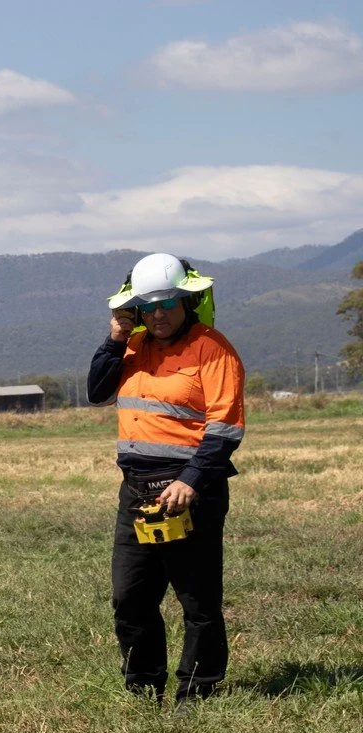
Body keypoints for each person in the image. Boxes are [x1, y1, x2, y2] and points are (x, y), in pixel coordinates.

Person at [86, 253, 245, 707]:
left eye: (167, 304)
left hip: (190, 491)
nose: (158, 315)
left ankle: (198, 693)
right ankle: (142, 689)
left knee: (197, 602)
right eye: (148, 306)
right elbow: (98, 392)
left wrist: (192, 480)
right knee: (131, 599)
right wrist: (115, 337)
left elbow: (225, 426)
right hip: (136, 490)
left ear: (187, 303)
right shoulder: (132, 345)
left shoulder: (212, 348)